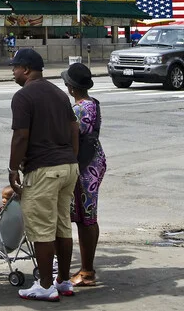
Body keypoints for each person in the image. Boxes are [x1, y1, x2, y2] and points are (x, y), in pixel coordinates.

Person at [8, 49, 79, 302]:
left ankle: (46, 284)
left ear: (26, 69)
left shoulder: (23, 96)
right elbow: (74, 129)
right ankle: (63, 281)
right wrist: (72, 157)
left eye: (15, 67)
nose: (13, 72)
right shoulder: (59, 94)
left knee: (41, 230)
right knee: (62, 226)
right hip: (68, 167)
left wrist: (12, 168)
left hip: (43, 169)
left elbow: (20, 136)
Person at [61, 62, 106, 287]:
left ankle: (87, 271)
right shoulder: (93, 104)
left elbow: (71, 137)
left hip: (84, 167)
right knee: (87, 216)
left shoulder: (79, 109)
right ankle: (87, 269)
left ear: (71, 87)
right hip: (94, 162)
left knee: (86, 217)